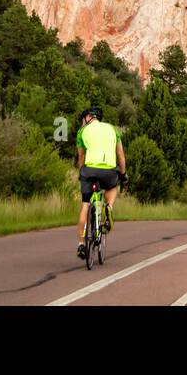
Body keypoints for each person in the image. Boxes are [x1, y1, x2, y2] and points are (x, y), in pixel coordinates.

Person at [75, 105, 127, 259]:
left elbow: (81, 157)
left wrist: (81, 172)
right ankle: (109, 208)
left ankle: (81, 244)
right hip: (109, 171)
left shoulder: (82, 131)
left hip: (89, 170)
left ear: (88, 117)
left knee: (85, 205)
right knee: (111, 187)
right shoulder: (112, 129)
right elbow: (120, 155)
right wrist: (123, 175)